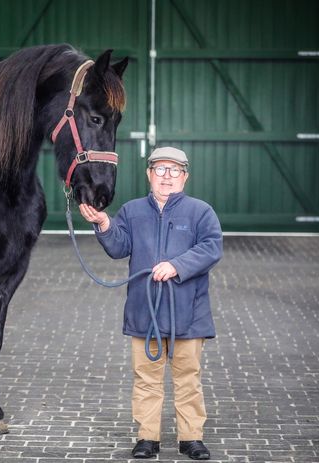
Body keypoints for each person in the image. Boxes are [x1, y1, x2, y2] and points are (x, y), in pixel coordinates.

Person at [79, 147, 222, 460]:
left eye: (174, 170)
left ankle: (191, 438)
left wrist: (177, 265)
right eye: (160, 169)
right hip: (145, 312)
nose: (166, 176)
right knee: (146, 379)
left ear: (184, 176)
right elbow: (119, 248)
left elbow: (212, 248)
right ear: (149, 174)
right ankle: (147, 437)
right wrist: (105, 224)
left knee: (188, 378)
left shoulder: (200, 212)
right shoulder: (132, 211)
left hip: (189, 313)